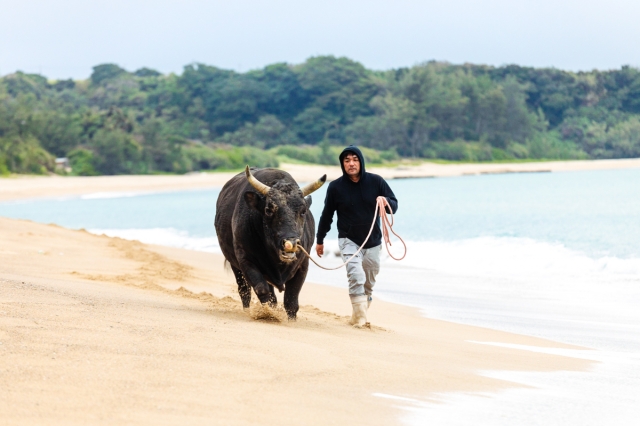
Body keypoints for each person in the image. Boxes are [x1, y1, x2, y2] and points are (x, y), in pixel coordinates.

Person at [315, 145, 398, 327]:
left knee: (368, 283)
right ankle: (361, 320)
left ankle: (356, 315)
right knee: (356, 276)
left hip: (373, 241)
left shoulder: (376, 182)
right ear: (342, 164)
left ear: (361, 161)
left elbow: (395, 206)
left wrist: (385, 201)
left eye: (355, 159)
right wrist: (319, 240)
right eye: (347, 161)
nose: (351, 164)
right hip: (348, 239)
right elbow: (327, 215)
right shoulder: (335, 187)